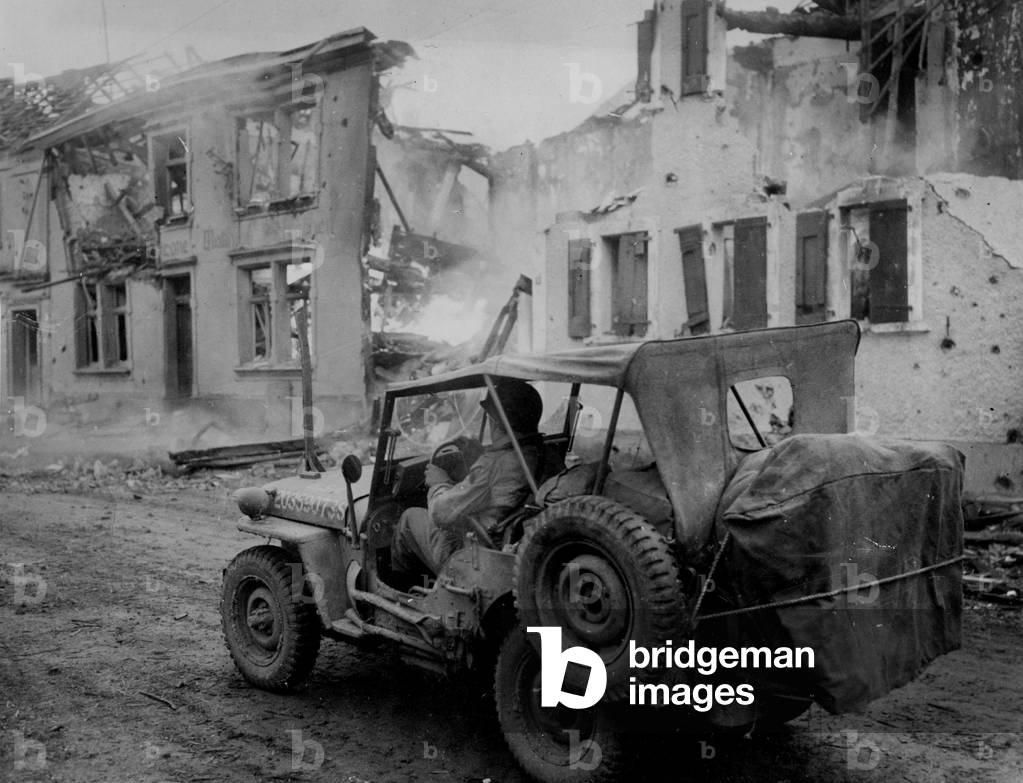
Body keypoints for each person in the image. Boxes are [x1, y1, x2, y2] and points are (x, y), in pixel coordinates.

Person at [391, 379, 543, 581]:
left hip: (477, 557)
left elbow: (440, 513)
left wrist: (439, 483)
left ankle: (402, 593)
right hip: (519, 549)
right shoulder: (546, 455)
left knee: (409, 518)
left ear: (496, 422)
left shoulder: (492, 465)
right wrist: (477, 457)